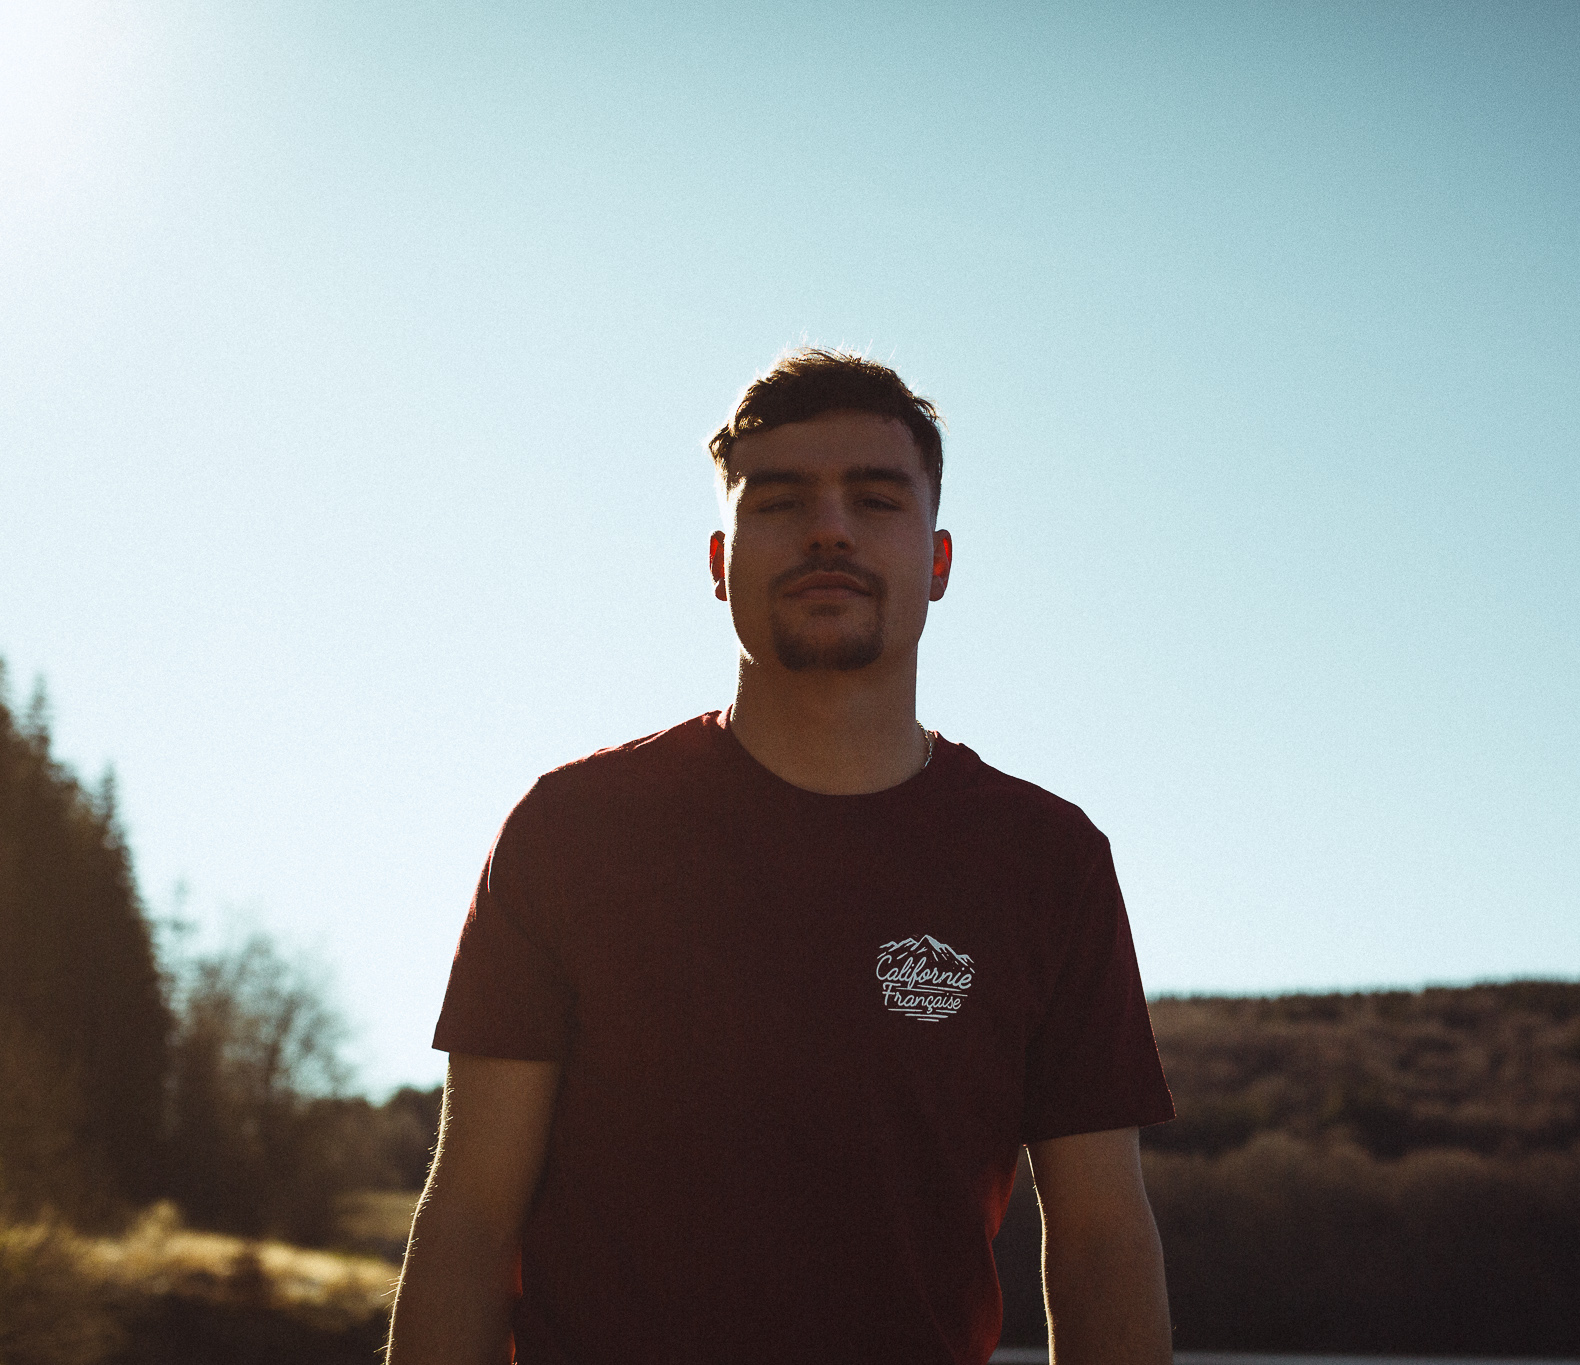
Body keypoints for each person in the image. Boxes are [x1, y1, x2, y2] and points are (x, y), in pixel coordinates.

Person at [386, 349, 1177, 1365]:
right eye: (781, 501)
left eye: (875, 499)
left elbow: (1102, 1238)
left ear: (938, 562)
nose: (828, 529)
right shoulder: (570, 831)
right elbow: (470, 1217)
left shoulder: (1046, 863)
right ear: (719, 562)